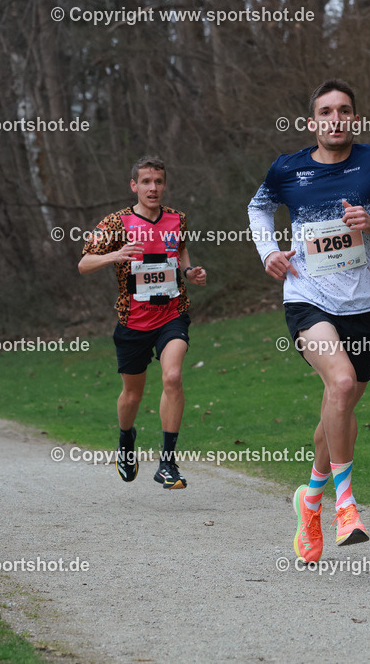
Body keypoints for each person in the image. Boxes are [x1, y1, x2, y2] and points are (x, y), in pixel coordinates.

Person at [248, 79, 370, 562]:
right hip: (307, 297)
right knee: (342, 382)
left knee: (341, 403)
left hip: (365, 305)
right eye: (326, 112)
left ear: (355, 118)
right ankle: (345, 505)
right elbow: (259, 207)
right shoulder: (288, 169)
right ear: (313, 122)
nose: (336, 119)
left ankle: (310, 500)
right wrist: (268, 251)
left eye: (344, 111)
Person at [79, 157, 207, 489]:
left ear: (165, 185)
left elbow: (180, 253)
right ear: (134, 185)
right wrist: (112, 256)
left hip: (171, 315)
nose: (153, 188)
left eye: (159, 182)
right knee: (132, 396)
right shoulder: (116, 222)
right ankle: (126, 440)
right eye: (146, 182)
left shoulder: (177, 219)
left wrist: (191, 272)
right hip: (133, 321)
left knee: (173, 376)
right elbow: (83, 262)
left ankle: (167, 463)